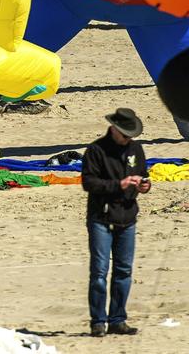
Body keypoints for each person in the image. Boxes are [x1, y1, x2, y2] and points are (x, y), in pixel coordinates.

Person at [81, 107, 150, 338]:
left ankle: (118, 319)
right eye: (125, 134)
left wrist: (144, 186)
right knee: (99, 273)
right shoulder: (96, 150)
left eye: (131, 135)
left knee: (124, 271)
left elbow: (144, 175)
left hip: (127, 217)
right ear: (114, 129)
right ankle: (98, 322)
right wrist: (117, 185)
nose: (128, 139)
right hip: (101, 217)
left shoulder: (136, 149)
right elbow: (88, 183)